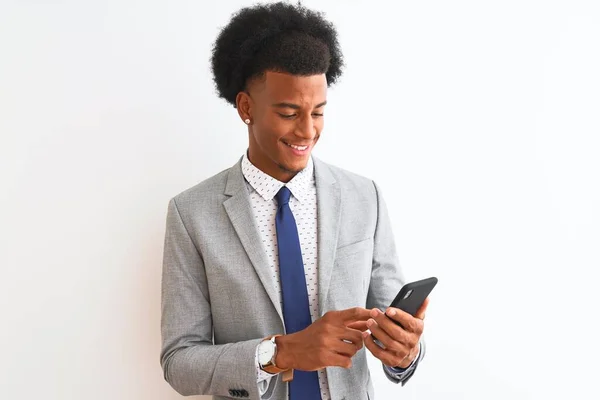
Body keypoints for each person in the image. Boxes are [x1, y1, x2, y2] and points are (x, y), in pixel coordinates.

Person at [160, 2, 429, 399]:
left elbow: (392, 328)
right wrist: (281, 353)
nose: (307, 130)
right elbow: (179, 362)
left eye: (318, 112)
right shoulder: (191, 214)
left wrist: (404, 352)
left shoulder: (363, 197)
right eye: (288, 113)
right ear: (246, 107)